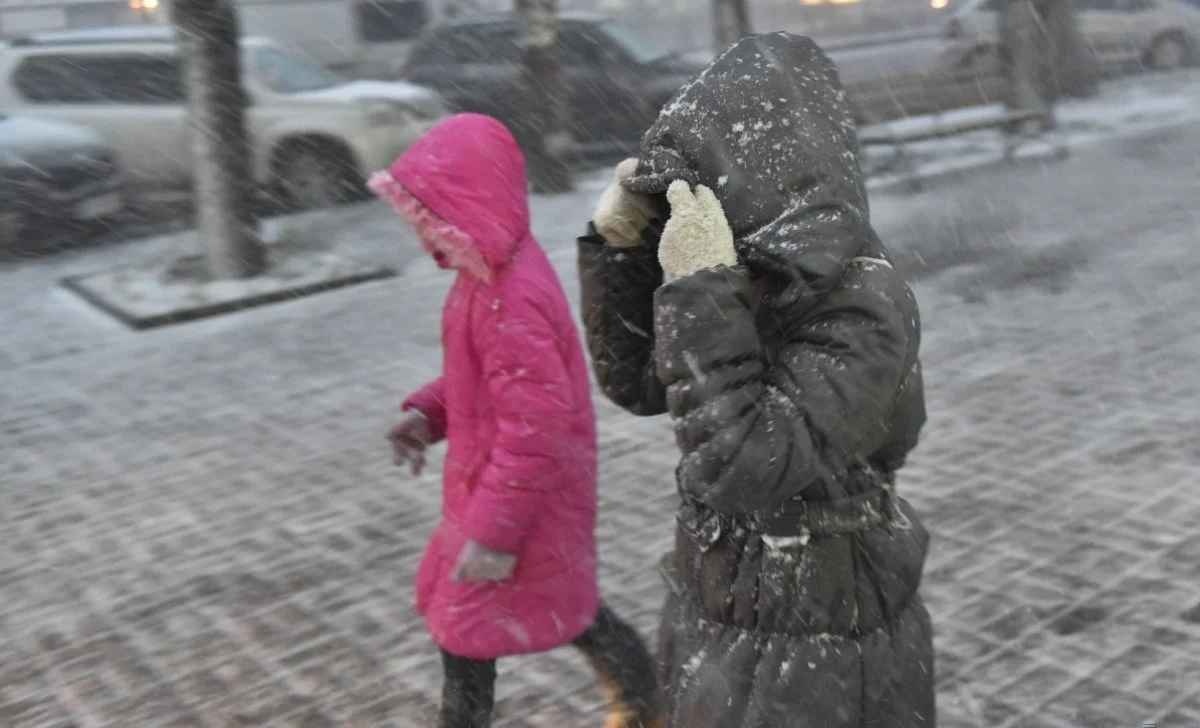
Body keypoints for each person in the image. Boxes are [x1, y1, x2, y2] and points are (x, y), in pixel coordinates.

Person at [578, 34, 935, 727]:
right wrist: (621, 253)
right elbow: (640, 383)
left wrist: (704, 287)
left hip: (823, 633)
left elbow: (743, 464)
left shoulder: (865, 304)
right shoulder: (749, 272)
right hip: (721, 603)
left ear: (767, 175)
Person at [375, 113, 662, 728]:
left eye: (432, 219)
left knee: (472, 631)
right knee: (563, 612)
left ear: (470, 209)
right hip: (504, 496)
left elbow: (536, 428)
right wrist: (430, 413)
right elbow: (481, 384)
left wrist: (496, 532)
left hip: (522, 503)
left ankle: (643, 703)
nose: (426, 236)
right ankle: (644, 702)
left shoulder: (511, 298)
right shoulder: (485, 278)